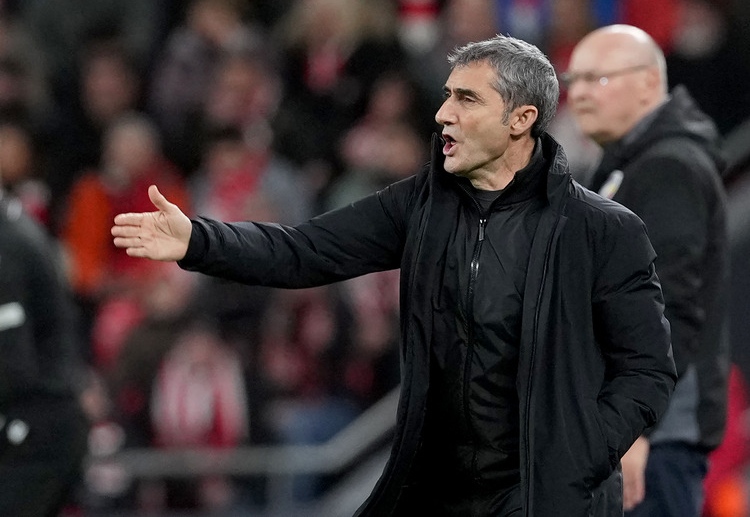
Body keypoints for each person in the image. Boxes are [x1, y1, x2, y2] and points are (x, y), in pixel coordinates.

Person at [112, 34, 677, 516]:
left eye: (467, 99)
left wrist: (580, 455)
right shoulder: (419, 207)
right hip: (440, 494)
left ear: (520, 119)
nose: (443, 114)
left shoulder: (604, 231)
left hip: (550, 500)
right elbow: (303, 250)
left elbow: (647, 370)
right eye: (447, 95)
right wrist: (199, 240)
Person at [565, 24, 729, 517]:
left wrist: (638, 428)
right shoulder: (622, 166)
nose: (579, 93)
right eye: (574, 80)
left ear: (648, 83)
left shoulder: (668, 167)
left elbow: (667, 305)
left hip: (652, 438)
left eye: (597, 78)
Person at [0, 179, 89, 515]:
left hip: (38, 430)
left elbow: (11, 363)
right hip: (46, 422)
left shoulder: (7, 245)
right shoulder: (17, 227)